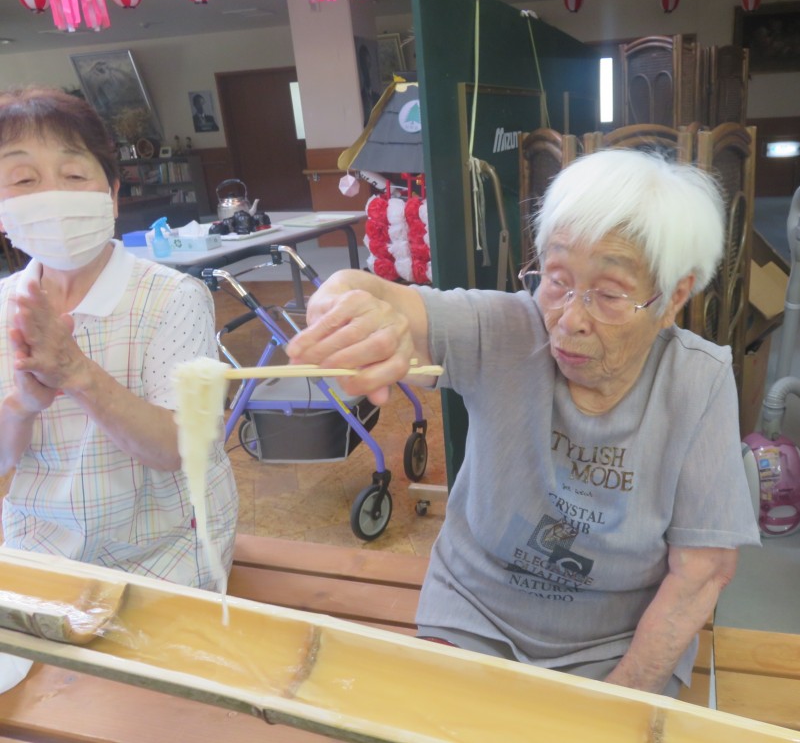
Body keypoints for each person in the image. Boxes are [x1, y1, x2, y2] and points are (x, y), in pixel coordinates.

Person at [287, 148, 761, 697]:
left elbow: (701, 572)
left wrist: (617, 703)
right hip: (474, 616)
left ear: (675, 295)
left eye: (608, 295)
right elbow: (371, 294)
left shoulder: (697, 382)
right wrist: (344, 310)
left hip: (613, 644)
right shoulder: (506, 329)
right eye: (557, 280)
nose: (570, 319)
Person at [0, 87, 238, 589]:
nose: (52, 196)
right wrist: (21, 404)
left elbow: (181, 448)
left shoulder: (174, 297)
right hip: (40, 545)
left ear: (111, 194)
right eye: (24, 179)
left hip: (165, 545)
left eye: (73, 175)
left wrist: (77, 374)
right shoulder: (5, 306)